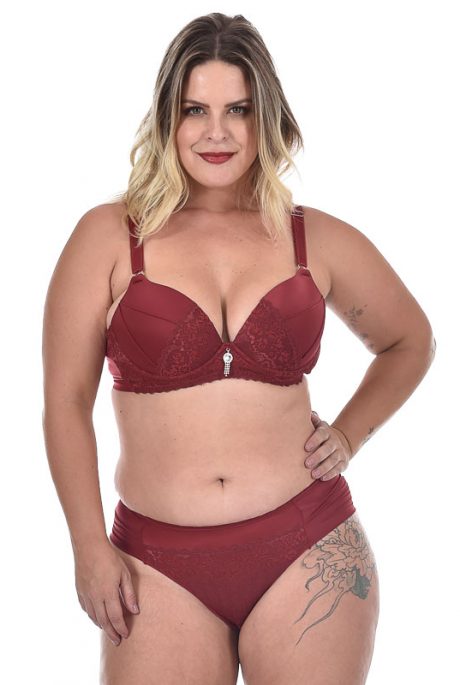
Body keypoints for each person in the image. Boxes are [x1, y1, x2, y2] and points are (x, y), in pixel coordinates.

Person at [41, 11, 436, 685]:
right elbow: (65, 401)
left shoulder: (313, 238)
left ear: (267, 117)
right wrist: (86, 546)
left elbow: (410, 340)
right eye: (195, 109)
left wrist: (349, 434)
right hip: (155, 565)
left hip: (307, 545)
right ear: (168, 117)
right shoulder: (108, 237)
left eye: (239, 110)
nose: (217, 132)